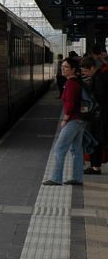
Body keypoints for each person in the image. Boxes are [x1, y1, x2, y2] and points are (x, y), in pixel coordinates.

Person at [44, 56, 87, 186]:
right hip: (81, 120)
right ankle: (77, 178)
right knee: (76, 150)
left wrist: (65, 118)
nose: (63, 69)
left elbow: (70, 103)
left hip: (73, 120)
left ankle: (56, 178)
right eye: (62, 67)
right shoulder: (78, 82)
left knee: (59, 149)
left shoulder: (71, 84)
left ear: (73, 69)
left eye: (66, 67)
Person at [81, 54, 107, 175]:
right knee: (97, 139)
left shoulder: (98, 78)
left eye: (86, 70)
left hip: (99, 116)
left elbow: (99, 97)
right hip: (99, 114)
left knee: (96, 140)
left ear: (92, 68)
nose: (85, 73)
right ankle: (95, 165)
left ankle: (96, 167)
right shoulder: (98, 76)